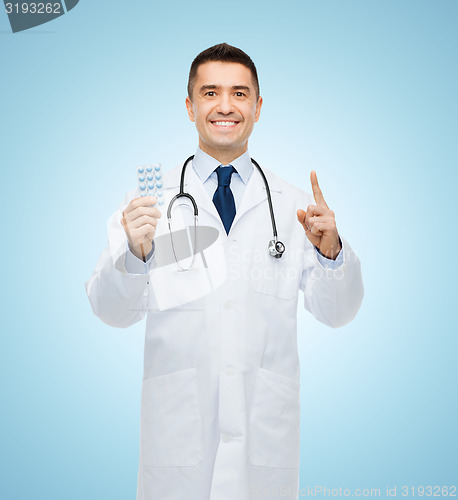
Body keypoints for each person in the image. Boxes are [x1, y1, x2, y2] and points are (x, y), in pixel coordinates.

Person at [86, 43, 364, 500]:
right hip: (178, 441)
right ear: (191, 106)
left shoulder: (294, 206)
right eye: (210, 92)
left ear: (257, 107)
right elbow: (110, 311)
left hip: (263, 438)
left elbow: (339, 313)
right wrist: (135, 256)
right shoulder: (147, 202)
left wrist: (331, 250)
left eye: (239, 93)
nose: (225, 106)